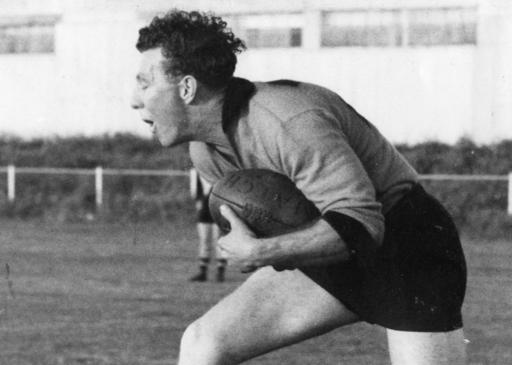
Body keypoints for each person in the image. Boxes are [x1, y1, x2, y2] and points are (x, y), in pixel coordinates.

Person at [131, 9, 467, 365]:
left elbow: (362, 223)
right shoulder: (205, 150)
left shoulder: (286, 120)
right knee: (204, 343)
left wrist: (261, 252)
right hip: (332, 249)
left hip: (408, 248)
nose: (134, 100)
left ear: (186, 87)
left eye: (144, 83)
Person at [189, 176, 227, 282]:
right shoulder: (197, 170)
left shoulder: (215, 169)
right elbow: (194, 192)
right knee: (207, 240)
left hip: (216, 206)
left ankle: (219, 272)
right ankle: (204, 272)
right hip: (206, 207)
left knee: (216, 240)